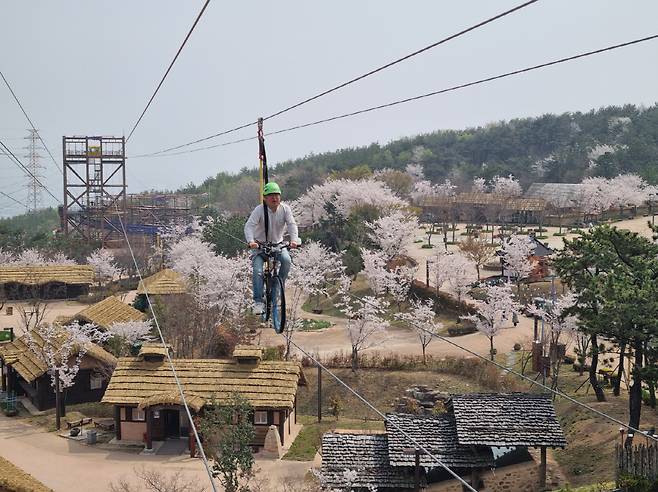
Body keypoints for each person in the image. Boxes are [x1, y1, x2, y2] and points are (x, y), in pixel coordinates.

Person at [244, 182, 300, 315]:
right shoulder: (259, 210)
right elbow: (249, 226)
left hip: (278, 245)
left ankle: (278, 286)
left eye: (277, 195)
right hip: (260, 246)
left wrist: (293, 240)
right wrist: (251, 241)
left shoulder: (285, 209)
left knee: (286, 260)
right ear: (265, 198)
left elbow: (292, 225)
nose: (274, 198)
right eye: (271, 196)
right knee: (257, 270)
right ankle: (258, 302)